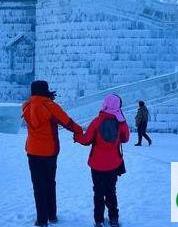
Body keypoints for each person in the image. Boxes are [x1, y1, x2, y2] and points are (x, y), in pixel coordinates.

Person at [22, 80, 83, 227]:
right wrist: (79, 131)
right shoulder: (50, 106)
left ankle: (41, 220)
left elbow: (36, 107)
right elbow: (67, 122)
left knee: (38, 185)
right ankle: (51, 215)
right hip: (49, 152)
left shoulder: (27, 106)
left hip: (32, 151)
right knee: (49, 182)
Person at [75, 94, 129, 227]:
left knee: (98, 192)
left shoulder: (97, 121)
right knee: (111, 191)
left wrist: (77, 136)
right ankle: (114, 219)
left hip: (97, 165)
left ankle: (98, 220)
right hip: (113, 164)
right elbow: (125, 138)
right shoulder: (120, 123)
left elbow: (86, 140)